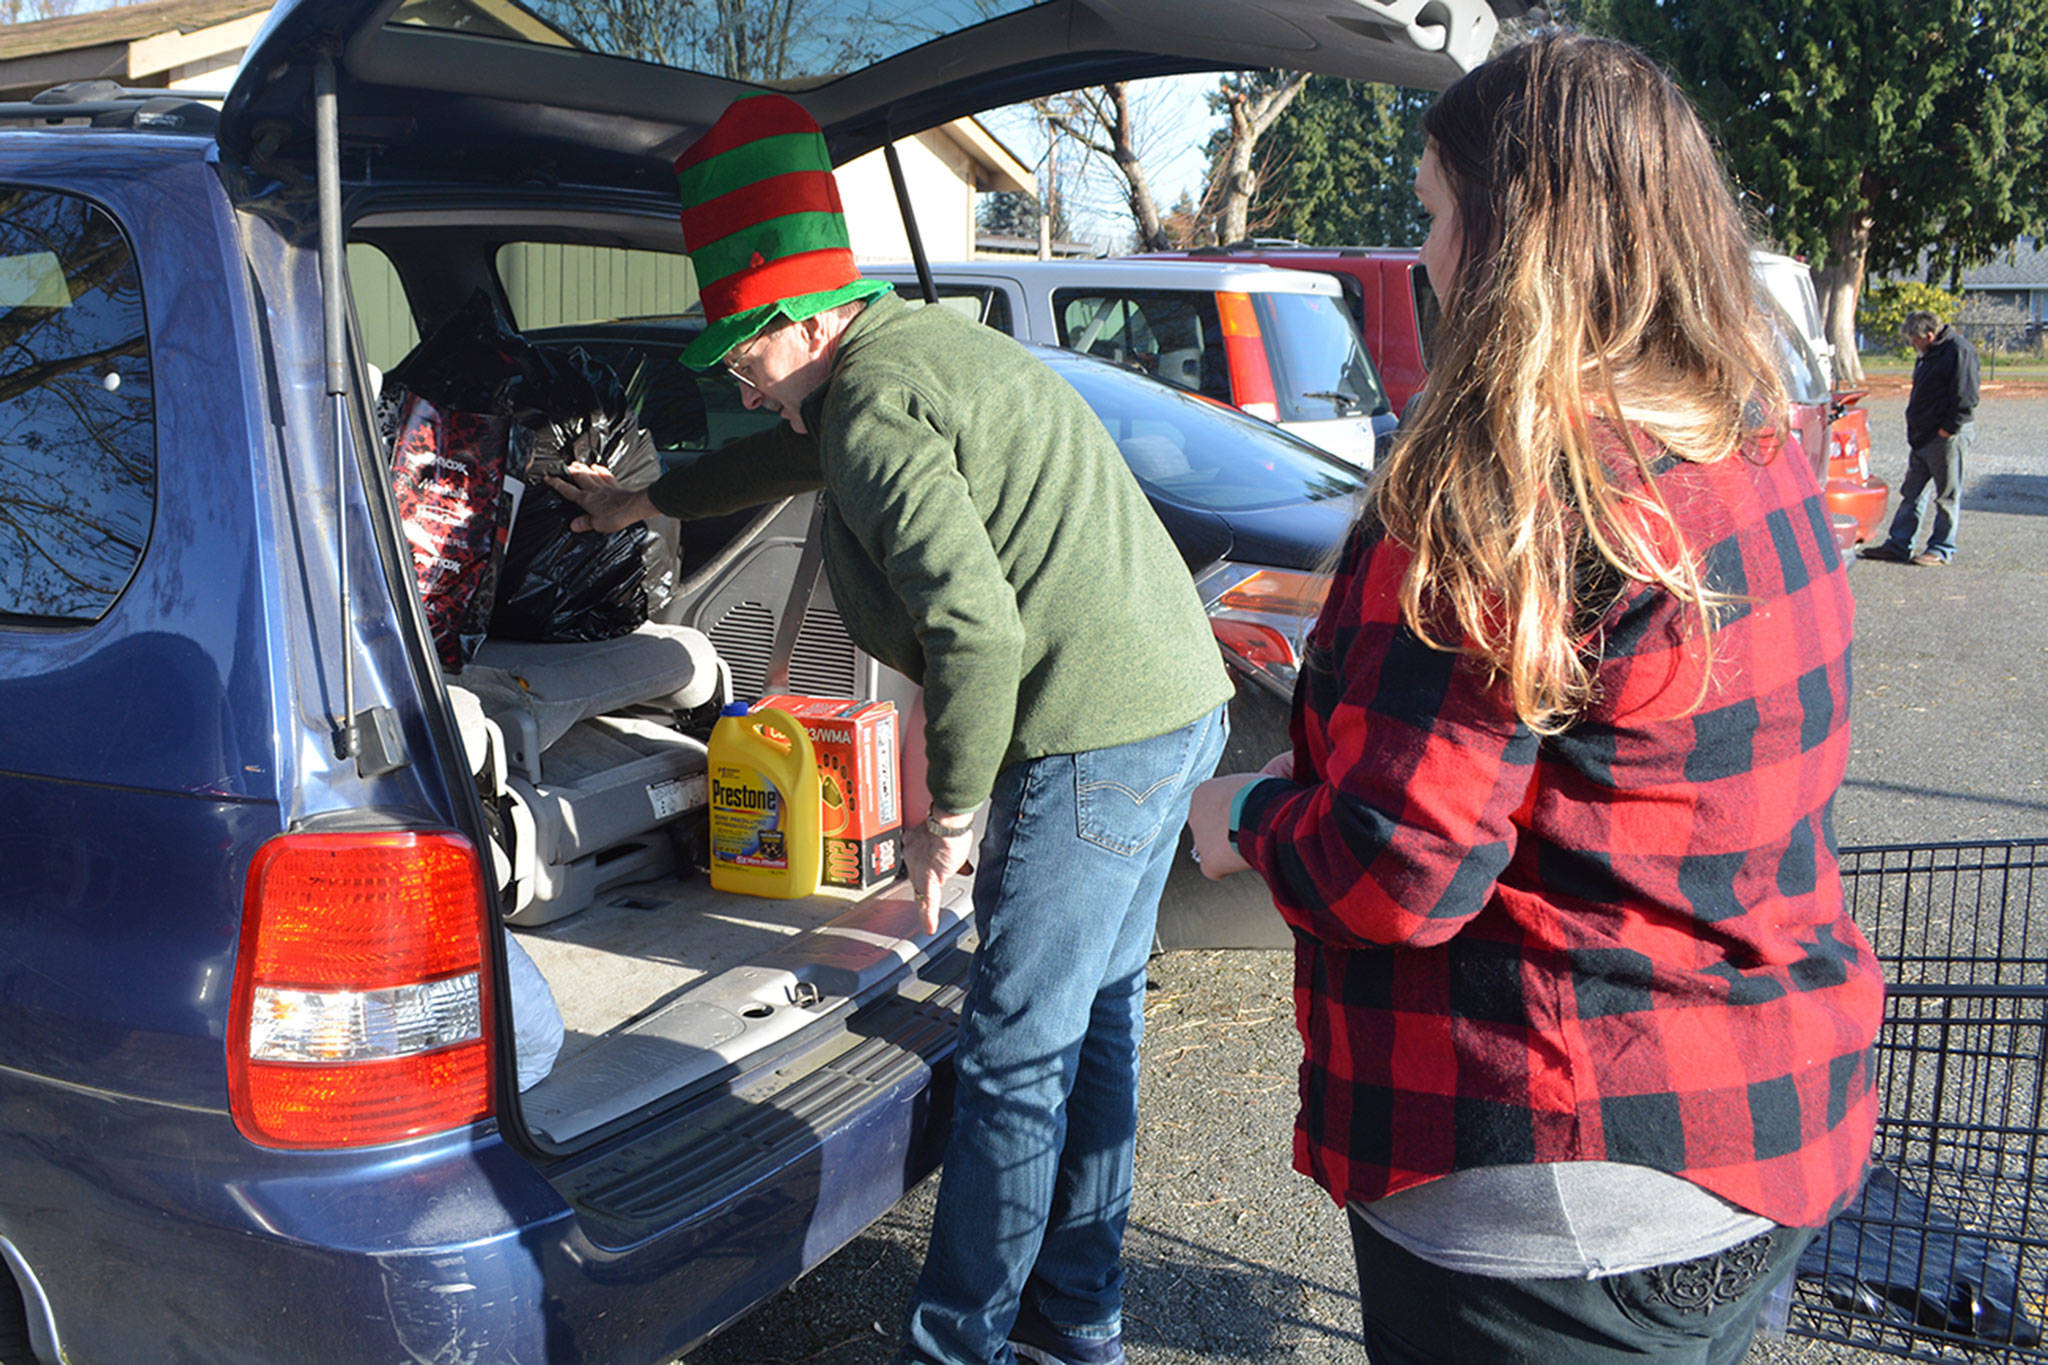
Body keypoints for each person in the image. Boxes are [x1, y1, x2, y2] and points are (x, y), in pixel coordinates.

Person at [1184, 33, 1883, 1365]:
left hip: (1559, 1174)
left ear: (1514, 240)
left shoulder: (1502, 500)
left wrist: (1246, 814)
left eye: (1434, 213)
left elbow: (1395, 873)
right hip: (1763, 1125)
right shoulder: (1750, 453)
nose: (1422, 256)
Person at [547, 93, 1231, 1365]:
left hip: (1090, 735)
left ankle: (955, 1343)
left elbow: (974, 637)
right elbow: (791, 456)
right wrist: (645, 504)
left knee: (1017, 1054)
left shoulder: (864, 407)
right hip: (1171, 705)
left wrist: (946, 819)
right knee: (1095, 1027)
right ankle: (1072, 1323)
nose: (741, 381)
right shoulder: (903, 352)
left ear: (808, 321)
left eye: (745, 357)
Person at [1861, 309, 1978, 566]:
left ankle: (1941, 548)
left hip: (1946, 437)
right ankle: (1899, 544)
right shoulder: (1928, 353)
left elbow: (1966, 398)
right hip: (1923, 436)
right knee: (1912, 492)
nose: (1912, 343)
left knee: (1946, 495)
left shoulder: (1959, 351)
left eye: (1915, 338)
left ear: (1930, 334)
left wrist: (1948, 430)